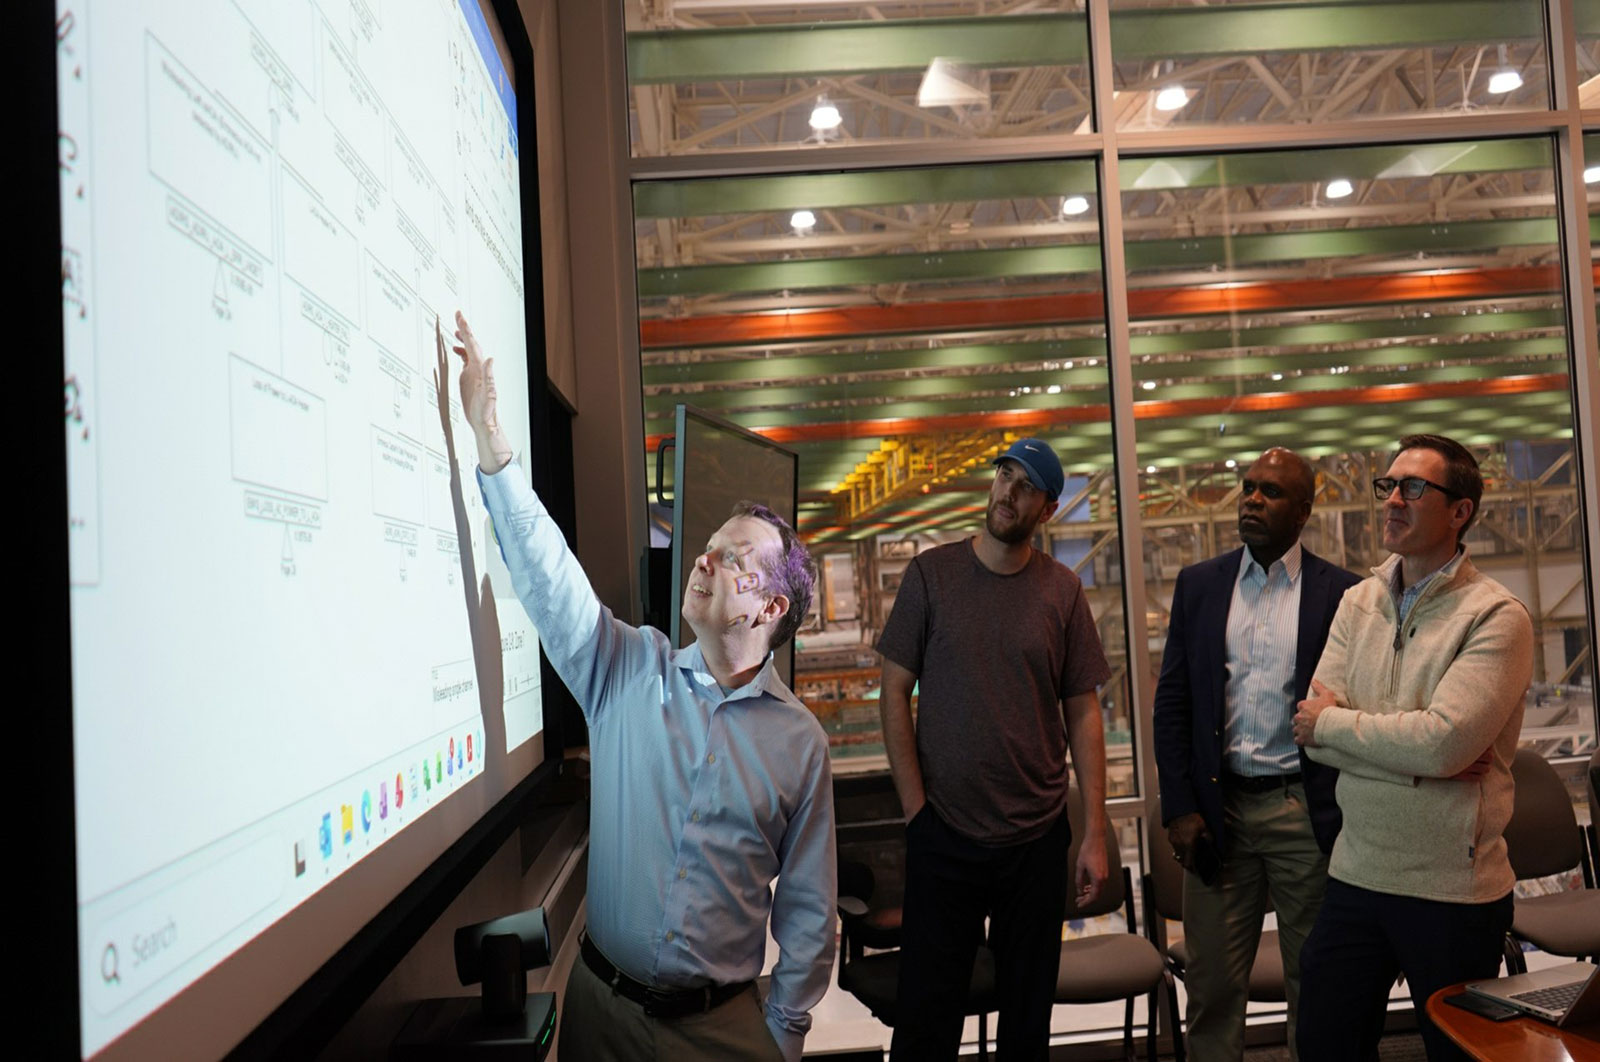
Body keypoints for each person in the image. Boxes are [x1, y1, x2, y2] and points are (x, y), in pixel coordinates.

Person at [439, 312, 835, 1062]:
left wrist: (780, 1035)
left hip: (721, 1033)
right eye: (708, 546)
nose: (704, 559)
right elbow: (551, 579)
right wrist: (493, 446)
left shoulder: (800, 746)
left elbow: (810, 916)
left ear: (772, 608)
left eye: (732, 557)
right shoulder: (627, 668)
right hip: (601, 1014)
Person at [1292, 434, 1532, 1062]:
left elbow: (1443, 742)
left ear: (1460, 512)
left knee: (1459, 1056)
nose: (1393, 500)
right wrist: (1422, 759)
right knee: (1322, 1047)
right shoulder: (1358, 601)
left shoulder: (1497, 617)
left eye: (1414, 487)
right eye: (1389, 485)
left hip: (1453, 890)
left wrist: (1345, 730)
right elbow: (1310, 736)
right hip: (1356, 873)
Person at [877, 436, 1112, 1061]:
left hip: (1035, 844)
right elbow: (893, 692)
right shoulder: (931, 575)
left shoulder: (1062, 592)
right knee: (927, 1029)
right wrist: (916, 815)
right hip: (944, 837)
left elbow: (1083, 710)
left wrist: (1094, 831)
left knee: (1026, 1030)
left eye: (1025, 485)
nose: (1007, 491)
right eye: (1004, 474)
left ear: (1048, 508)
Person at [1153, 447, 1360, 1062]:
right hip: (1221, 817)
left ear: (1302, 512)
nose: (1251, 500)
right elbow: (1173, 705)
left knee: (1315, 984)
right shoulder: (1199, 586)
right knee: (1212, 987)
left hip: (1306, 810)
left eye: (1270, 492)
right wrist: (1179, 807)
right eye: (1247, 488)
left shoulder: (1342, 594)